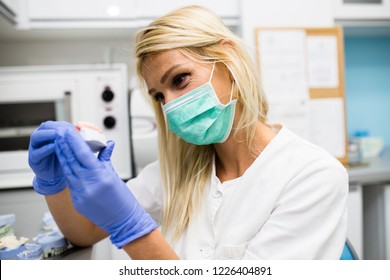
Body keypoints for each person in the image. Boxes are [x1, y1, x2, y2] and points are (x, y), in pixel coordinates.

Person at [28, 5, 348, 260]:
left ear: (229, 60)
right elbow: (83, 234)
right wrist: (54, 183)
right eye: (159, 96)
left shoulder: (313, 176)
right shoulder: (178, 171)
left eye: (180, 79)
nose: (171, 106)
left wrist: (131, 228)